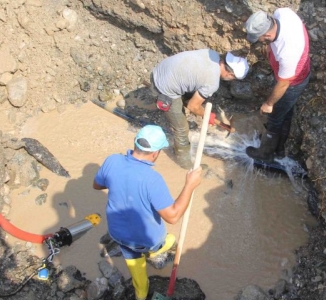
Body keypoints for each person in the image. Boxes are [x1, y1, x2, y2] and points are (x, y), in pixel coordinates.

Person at [93, 125, 203, 300]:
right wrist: (189, 185)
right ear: (155, 153)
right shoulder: (153, 179)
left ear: (136, 142)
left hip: (118, 234)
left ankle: (141, 293)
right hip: (147, 240)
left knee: (134, 263)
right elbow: (173, 216)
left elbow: (97, 185)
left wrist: (121, 183)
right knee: (168, 240)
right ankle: (155, 250)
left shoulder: (112, 161)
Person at [150, 49, 249, 169]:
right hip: (164, 90)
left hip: (160, 70)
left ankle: (183, 100)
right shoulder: (212, 82)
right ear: (231, 75)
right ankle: (185, 163)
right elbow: (193, 106)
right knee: (182, 129)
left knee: (194, 93)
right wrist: (208, 116)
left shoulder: (212, 54)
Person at [244, 8, 311, 161]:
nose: (259, 41)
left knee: (275, 117)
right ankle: (279, 149)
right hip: (291, 73)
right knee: (285, 114)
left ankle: (265, 154)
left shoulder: (288, 51)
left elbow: (283, 84)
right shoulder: (283, 14)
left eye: (259, 38)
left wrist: (268, 103)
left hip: (292, 83)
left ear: (267, 34)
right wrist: (268, 45)